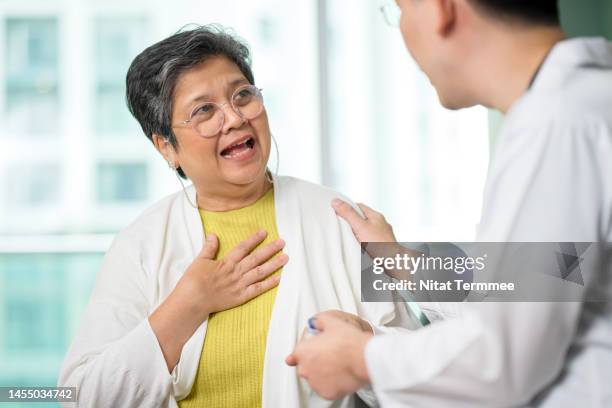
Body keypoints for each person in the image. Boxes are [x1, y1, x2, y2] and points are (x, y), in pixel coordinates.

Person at [58, 26, 417, 407]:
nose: (234, 118)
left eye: (242, 95)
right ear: (167, 147)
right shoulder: (141, 244)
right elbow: (79, 396)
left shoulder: (340, 219)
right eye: (204, 110)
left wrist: (365, 342)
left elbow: (427, 370)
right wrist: (186, 307)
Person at [287, 0, 612, 406]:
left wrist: (360, 358)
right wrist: (398, 260)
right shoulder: (585, 105)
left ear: (439, 8)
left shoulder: (557, 125)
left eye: (399, 10)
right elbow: (539, 285)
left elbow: (500, 360)